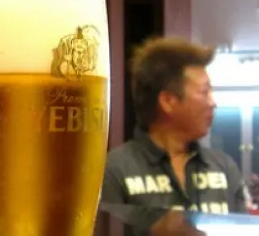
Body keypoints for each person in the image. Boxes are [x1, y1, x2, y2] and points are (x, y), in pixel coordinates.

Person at [101, 36, 247, 213]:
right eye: (204, 92)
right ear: (167, 101)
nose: (212, 103)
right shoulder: (115, 171)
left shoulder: (224, 168)